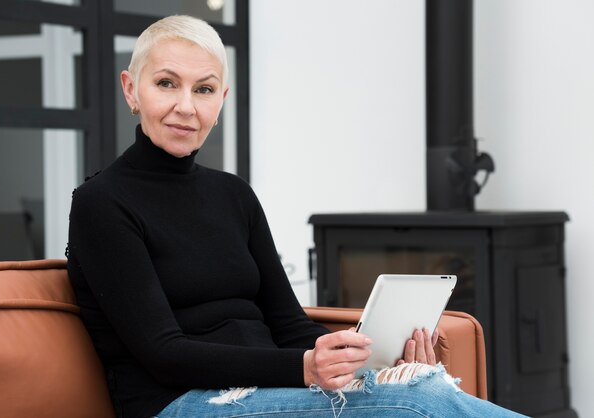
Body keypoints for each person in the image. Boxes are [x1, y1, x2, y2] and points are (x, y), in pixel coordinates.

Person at [66, 14, 527, 418]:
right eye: (166, 83)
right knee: (418, 405)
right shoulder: (102, 203)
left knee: (417, 384)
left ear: (220, 99)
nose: (186, 106)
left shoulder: (233, 195)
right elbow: (163, 354)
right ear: (131, 88)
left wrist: (364, 353)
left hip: (272, 390)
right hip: (183, 403)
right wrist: (303, 368)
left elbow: (289, 325)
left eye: (203, 89)